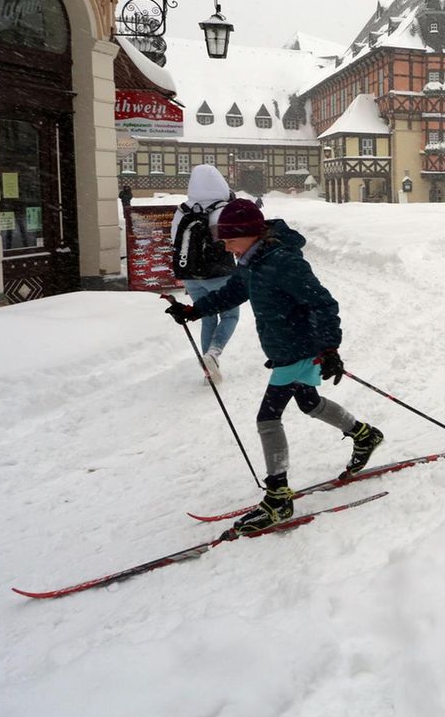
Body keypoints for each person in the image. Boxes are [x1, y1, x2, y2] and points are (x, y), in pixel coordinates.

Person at [164, 198, 384, 534]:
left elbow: (322, 303)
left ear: (251, 233)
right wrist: (195, 311)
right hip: (284, 347)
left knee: (268, 418)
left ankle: (279, 496)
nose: (226, 247)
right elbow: (234, 291)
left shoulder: (283, 262)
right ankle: (364, 435)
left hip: (299, 347)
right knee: (309, 402)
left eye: (229, 240)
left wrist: (329, 348)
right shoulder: (252, 261)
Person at [169, 164, 240, 384]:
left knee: (206, 316)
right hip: (219, 273)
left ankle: (208, 368)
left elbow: (174, 240)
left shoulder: (183, 210)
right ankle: (214, 353)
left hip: (190, 275)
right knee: (230, 315)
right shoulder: (223, 209)